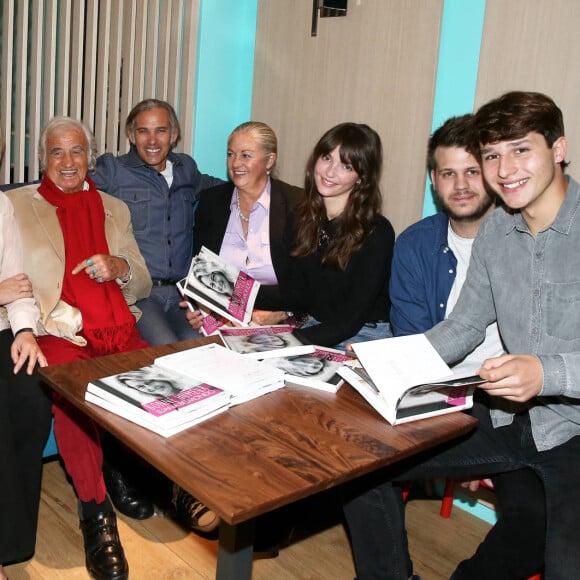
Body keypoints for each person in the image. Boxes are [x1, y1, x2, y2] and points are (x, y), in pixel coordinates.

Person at [342, 90, 580, 579]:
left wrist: (547, 371)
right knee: (359, 469)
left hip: (574, 434)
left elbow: (547, 371)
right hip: (513, 420)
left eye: (521, 149)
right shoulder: (498, 232)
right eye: (492, 154)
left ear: (558, 149)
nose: (505, 168)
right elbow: (465, 325)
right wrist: (387, 370)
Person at [385, 114, 545, 580]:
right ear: (433, 180)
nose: (460, 185)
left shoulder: (529, 242)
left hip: (518, 411)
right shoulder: (416, 243)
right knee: (360, 469)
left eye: (472, 170)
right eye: (447, 173)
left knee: (537, 515)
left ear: (493, 173)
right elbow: (414, 342)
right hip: (440, 397)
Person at [7, 116, 153, 580]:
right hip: (57, 330)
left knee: (157, 383)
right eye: (57, 153)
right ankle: (95, 512)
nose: (68, 162)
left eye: (77, 152)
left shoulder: (115, 208)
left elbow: (144, 283)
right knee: (73, 400)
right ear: (42, 160)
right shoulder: (14, 206)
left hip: (116, 327)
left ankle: (152, 478)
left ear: (90, 156)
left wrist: (120, 266)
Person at [92, 98, 223, 346]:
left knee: (204, 346)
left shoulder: (186, 169)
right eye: (143, 131)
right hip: (139, 294)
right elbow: (65, 181)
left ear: (174, 134)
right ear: (131, 135)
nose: (152, 141)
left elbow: (222, 188)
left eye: (161, 131)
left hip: (184, 293)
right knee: (165, 350)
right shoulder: (113, 171)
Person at [256, 122, 395, 349]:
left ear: (361, 177)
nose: (330, 172)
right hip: (315, 327)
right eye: (327, 158)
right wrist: (231, 297)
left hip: (363, 336)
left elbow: (349, 321)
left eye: (347, 166)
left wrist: (285, 344)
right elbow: (295, 295)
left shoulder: (377, 232)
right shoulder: (301, 218)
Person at [184, 121, 303, 332]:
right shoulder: (211, 202)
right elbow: (200, 269)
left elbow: (306, 282)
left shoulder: (297, 204)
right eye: (231, 154)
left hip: (284, 319)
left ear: (269, 160)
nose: (236, 163)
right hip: (223, 320)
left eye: (246, 155)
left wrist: (281, 312)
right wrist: (198, 307)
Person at [0, 126, 52, 580]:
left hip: (0, 328)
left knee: (32, 397)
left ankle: (12, 543)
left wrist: (26, 331)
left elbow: (17, 284)